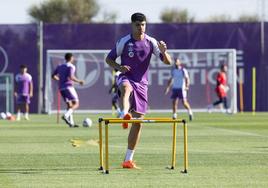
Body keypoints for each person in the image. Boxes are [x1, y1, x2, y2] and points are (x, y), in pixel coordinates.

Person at [105, 12, 172, 169]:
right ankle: (123, 114)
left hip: (142, 84)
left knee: (139, 123)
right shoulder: (124, 41)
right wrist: (119, 67)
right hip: (126, 76)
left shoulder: (151, 42)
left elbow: (167, 62)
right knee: (126, 88)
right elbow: (109, 59)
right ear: (132, 25)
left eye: (143, 24)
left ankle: (128, 160)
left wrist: (163, 51)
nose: (141, 27)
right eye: (137, 25)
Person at [52, 53, 84, 127]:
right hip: (68, 87)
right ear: (71, 58)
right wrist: (79, 81)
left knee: (69, 105)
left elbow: (53, 76)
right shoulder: (71, 66)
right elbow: (71, 77)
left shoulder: (60, 66)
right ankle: (66, 115)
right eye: (73, 58)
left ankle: (71, 123)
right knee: (76, 103)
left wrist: (60, 80)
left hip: (61, 88)